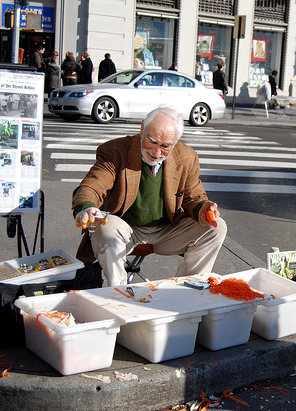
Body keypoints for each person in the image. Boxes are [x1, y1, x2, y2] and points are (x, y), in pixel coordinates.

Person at [72, 107, 227, 287]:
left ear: (175, 143)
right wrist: (86, 207)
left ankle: (187, 288)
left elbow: (194, 197)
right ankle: (120, 293)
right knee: (104, 227)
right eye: (151, 141)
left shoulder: (187, 156)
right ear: (142, 129)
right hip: (126, 231)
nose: (156, 152)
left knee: (216, 228)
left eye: (165, 146)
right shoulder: (116, 151)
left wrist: (203, 208)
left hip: (167, 231)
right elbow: (93, 185)